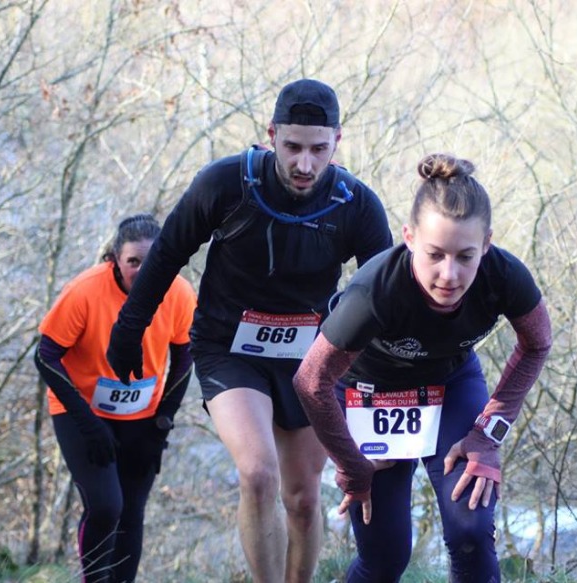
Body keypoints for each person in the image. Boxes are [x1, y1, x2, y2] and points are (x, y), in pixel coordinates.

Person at [106, 79, 393, 582]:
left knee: (303, 497)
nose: (305, 164)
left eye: (318, 149)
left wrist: (385, 382)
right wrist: (130, 327)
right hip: (229, 348)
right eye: (293, 147)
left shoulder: (356, 205)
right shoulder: (226, 184)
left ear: (337, 141)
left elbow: (383, 298)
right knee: (258, 474)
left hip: (310, 358)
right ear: (271, 135)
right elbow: (169, 252)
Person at [293, 153, 552, 582]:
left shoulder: (504, 275)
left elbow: (538, 342)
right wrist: (351, 463)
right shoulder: (374, 291)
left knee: (471, 532)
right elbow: (311, 380)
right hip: (370, 395)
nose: (449, 274)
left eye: (465, 256)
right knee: (385, 558)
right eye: (435, 254)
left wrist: (489, 434)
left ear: (487, 244)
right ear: (410, 238)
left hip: (449, 386)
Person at [34, 214, 196, 583]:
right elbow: (45, 355)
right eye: (133, 261)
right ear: (115, 260)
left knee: (132, 512)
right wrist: (87, 424)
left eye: (150, 261)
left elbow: (186, 354)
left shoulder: (179, 292)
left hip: (142, 415)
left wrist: (162, 421)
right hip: (81, 411)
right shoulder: (85, 291)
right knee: (106, 506)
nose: (142, 270)